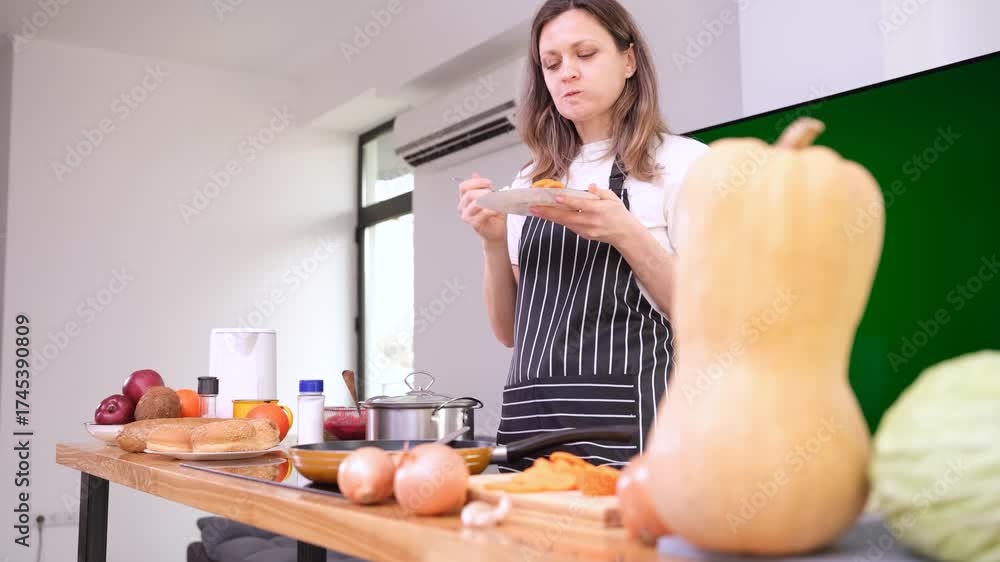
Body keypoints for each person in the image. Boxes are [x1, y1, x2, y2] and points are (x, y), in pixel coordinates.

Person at [457, 0, 709, 472]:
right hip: (533, 426)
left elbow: (706, 316)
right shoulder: (529, 179)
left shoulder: (684, 165)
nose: (566, 73)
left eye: (585, 54)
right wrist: (492, 240)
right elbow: (509, 331)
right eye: (551, 63)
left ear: (629, 60)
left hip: (631, 428)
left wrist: (626, 233)